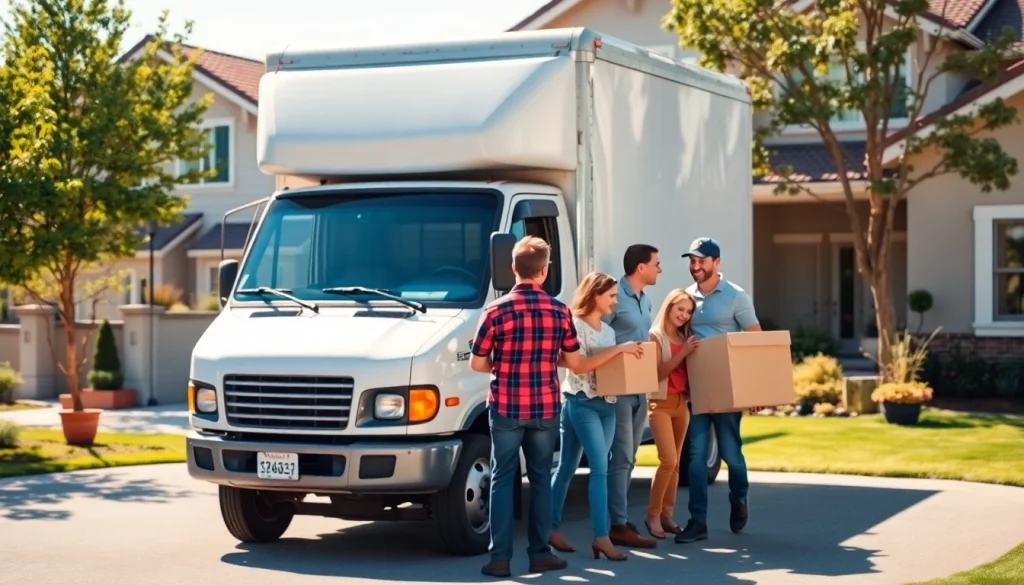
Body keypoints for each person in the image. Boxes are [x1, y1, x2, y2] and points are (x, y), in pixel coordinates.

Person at [470, 236, 579, 577]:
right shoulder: (560, 311)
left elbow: (477, 363)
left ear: (513, 267)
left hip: (505, 405)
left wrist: (503, 366)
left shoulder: (495, 311)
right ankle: (539, 553)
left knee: (503, 478)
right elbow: (573, 360)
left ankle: (500, 558)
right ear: (544, 272)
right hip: (545, 406)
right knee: (541, 478)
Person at [549, 272, 645, 562]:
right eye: (611, 296)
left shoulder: (607, 330)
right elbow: (577, 367)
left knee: (566, 467)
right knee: (599, 468)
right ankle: (601, 537)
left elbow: (606, 368)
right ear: (594, 295)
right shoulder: (575, 325)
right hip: (581, 404)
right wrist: (619, 351)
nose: (616, 301)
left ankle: (549, 528)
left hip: (607, 405)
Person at [675, 237, 761, 545]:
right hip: (697, 387)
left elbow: (755, 340)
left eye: (701, 261)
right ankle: (697, 521)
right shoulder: (686, 297)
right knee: (696, 456)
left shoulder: (736, 296)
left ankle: (739, 496)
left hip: (727, 390)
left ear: (716, 262)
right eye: (692, 261)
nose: (695, 266)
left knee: (730, 454)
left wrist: (755, 391)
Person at [602, 244, 662, 549]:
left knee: (631, 456)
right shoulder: (614, 296)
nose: (659, 269)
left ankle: (619, 520)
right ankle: (617, 525)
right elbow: (598, 336)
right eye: (656, 264)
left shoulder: (646, 300)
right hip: (619, 390)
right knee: (622, 456)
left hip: (640, 388)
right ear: (641, 267)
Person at [645, 288, 699, 539]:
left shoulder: (685, 336)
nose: (684, 315)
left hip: (681, 404)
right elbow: (657, 373)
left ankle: (667, 514)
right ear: (669, 307)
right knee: (667, 461)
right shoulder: (655, 336)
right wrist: (685, 352)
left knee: (676, 465)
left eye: (688, 312)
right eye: (680, 309)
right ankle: (652, 515)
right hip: (660, 404)